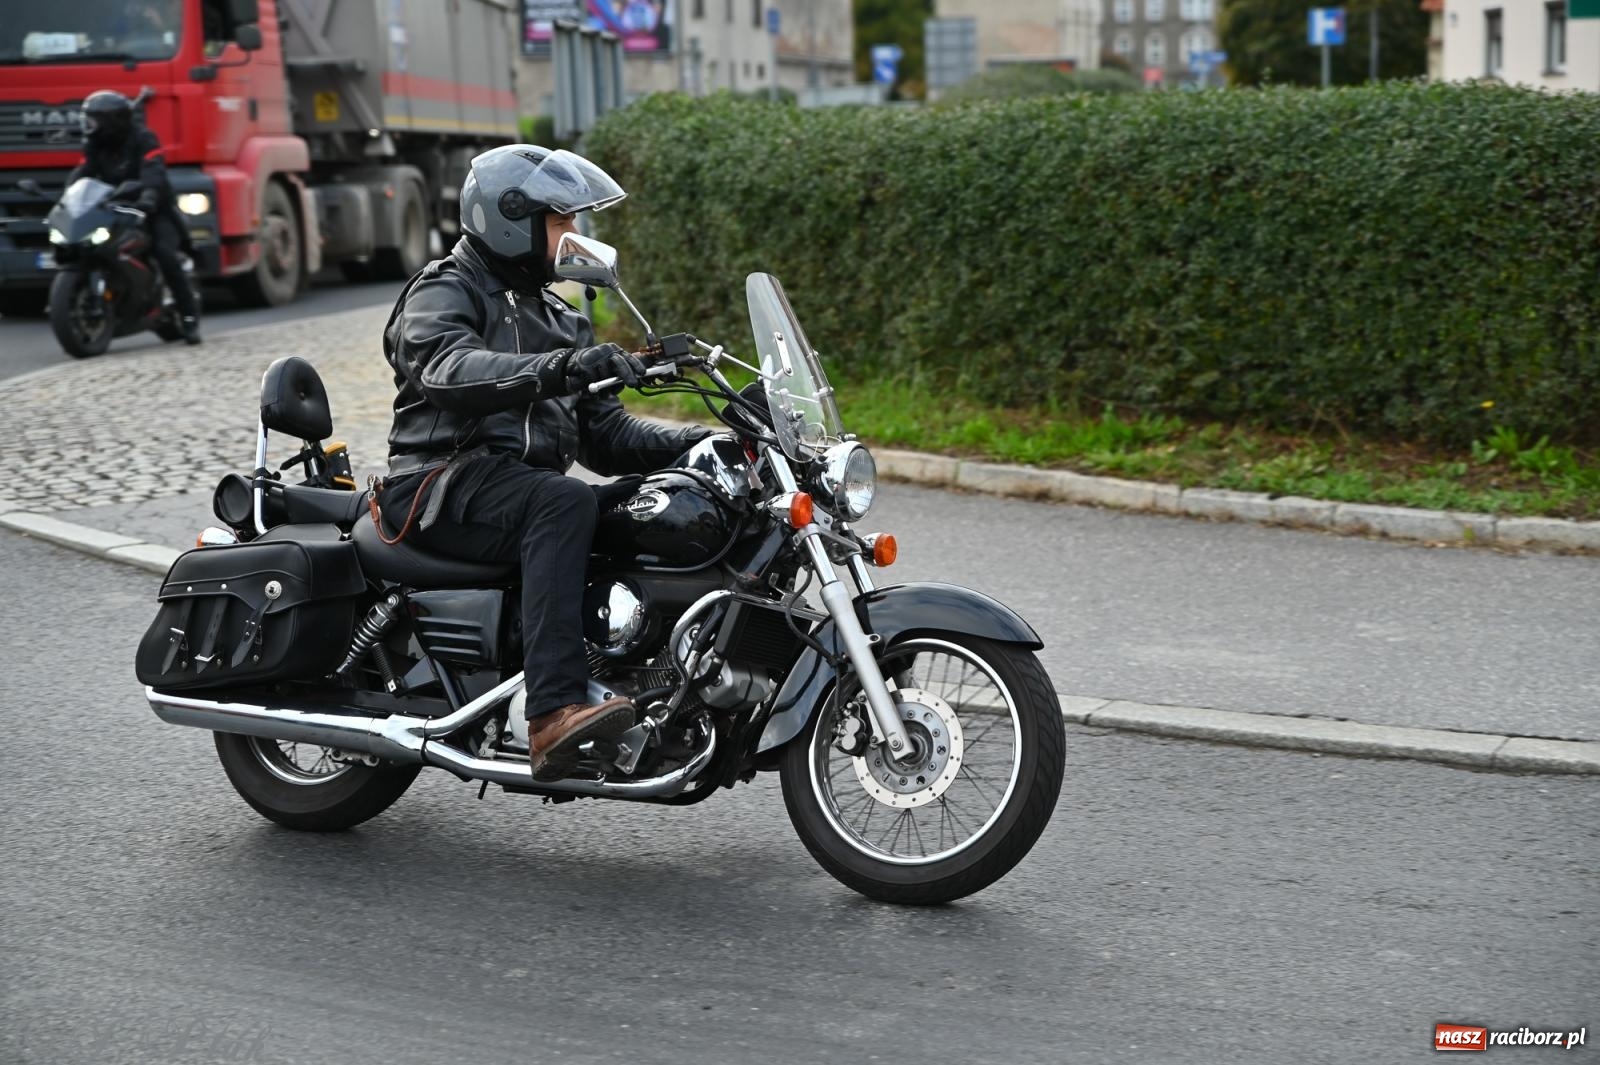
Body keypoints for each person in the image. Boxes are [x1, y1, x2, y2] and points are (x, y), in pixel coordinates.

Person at [377, 145, 711, 782]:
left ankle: (644, 679)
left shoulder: (559, 316)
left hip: (515, 488)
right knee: (564, 500)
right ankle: (552, 711)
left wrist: (707, 442)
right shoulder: (447, 287)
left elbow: (605, 435)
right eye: (562, 221)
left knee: (662, 500)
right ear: (513, 220)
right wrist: (559, 369)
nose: (576, 237)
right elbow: (447, 370)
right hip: (437, 482)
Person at [69, 91, 201, 344]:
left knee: (165, 255)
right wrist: (69, 197)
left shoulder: (143, 138)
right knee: (92, 247)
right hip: (113, 208)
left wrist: (149, 196)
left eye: (94, 120)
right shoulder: (94, 144)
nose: (89, 126)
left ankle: (189, 317)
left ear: (112, 121)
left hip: (153, 209)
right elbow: (83, 172)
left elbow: (154, 170)